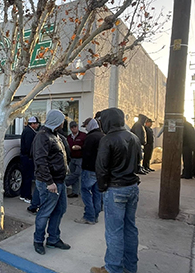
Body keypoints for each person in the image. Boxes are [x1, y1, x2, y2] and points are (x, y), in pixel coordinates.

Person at [91, 107, 141, 273]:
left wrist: (102, 188)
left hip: (116, 189)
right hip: (132, 187)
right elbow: (139, 163)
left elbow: (101, 168)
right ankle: (130, 267)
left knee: (114, 232)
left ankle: (113, 268)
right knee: (130, 228)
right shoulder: (133, 137)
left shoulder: (108, 139)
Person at [32, 109, 70, 255]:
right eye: (61, 120)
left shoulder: (55, 135)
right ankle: (38, 241)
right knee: (45, 212)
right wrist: (49, 182)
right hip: (50, 183)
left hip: (60, 181)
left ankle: (53, 239)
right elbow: (40, 161)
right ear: (55, 121)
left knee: (60, 210)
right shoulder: (42, 136)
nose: (63, 123)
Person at [75, 117, 104, 225]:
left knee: (85, 192)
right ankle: (95, 216)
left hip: (89, 169)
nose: (85, 128)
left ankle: (89, 216)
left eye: (86, 126)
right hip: (99, 170)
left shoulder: (90, 137)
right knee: (97, 193)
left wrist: (81, 149)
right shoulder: (102, 136)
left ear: (90, 125)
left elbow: (86, 154)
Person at [20, 116, 40, 209]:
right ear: (32, 124)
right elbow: (28, 146)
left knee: (25, 177)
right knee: (28, 177)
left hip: (26, 157)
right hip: (28, 158)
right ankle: (26, 196)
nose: (37, 125)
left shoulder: (28, 131)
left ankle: (23, 194)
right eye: (36, 124)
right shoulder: (29, 132)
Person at [65, 120, 86, 198]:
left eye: (75, 127)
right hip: (72, 158)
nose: (74, 128)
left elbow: (87, 146)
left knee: (77, 173)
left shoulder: (83, 136)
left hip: (80, 158)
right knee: (72, 173)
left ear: (77, 127)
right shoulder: (69, 137)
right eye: (72, 127)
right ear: (70, 128)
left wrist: (80, 147)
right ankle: (75, 192)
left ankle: (65, 182)